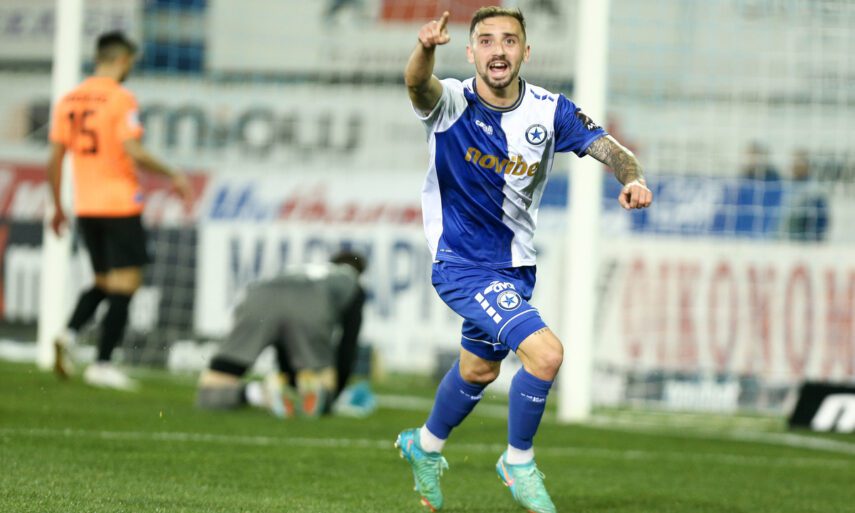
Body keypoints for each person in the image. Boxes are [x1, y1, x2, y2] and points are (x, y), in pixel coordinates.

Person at [394, 7, 652, 513]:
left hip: (513, 267)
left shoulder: (550, 111)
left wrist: (633, 179)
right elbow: (417, 86)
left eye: (509, 40)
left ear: (525, 52)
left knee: (478, 371)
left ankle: (423, 445)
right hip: (461, 265)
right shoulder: (451, 103)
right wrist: (424, 49)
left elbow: (611, 149)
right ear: (471, 52)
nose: (498, 50)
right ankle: (518, 461)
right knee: (546, 354)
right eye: (487, 41)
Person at [47, 31, 192, 390]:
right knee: (126, 285)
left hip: (85, 205)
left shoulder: (68, 100)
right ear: (122, 60)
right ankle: (102, 364)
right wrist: (173, 173)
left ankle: (68, 334)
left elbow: (55, 158)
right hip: (119, 203)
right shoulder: (120, 98)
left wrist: (57, 207)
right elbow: (134, 150)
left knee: (102, 282)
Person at [196, 251, 369, 418]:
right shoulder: (351, 283)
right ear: (359, 273)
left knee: (212, 388)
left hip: (259, 296)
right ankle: (314, 393)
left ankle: (256, 393)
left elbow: (284, 338)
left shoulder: (302, 269)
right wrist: (334, 394)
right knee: (320, 388)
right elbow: (348, 344)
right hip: (309, 303)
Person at [784, 149, 828, 242]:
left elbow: (822, 218)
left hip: (807, 242)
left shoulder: (815, 189)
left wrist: (816, 240)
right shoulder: (786, 186)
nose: (796, 165)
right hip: (786, 241)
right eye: (794, 161)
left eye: (800, 162)